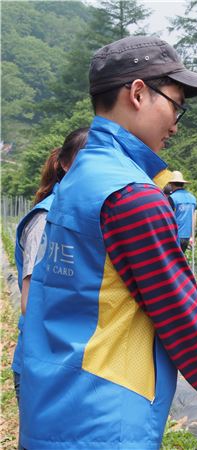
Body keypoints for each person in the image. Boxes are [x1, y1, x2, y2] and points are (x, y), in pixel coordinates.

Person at [19, 36, 197, 450]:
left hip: (56, 409)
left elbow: (128, 307)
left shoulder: (78, 181)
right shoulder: (130, 194)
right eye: (175, 104)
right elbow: (180, 321)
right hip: (105, 422)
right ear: (138, 93)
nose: (175, 122)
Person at [12, 127, 88, 411]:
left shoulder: (84, 214)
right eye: (87, 161)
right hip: (43, 365)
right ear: (66, 164)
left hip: (72, 362)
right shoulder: (46, 218)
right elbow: (29, 303)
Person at [167, 170, 197, 252]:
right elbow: (194, 218)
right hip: (186, 236)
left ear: (172, 184)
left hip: (175, 236)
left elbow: (168, 218)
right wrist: (192, 236)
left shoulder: (172, 198)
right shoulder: (192, 198)